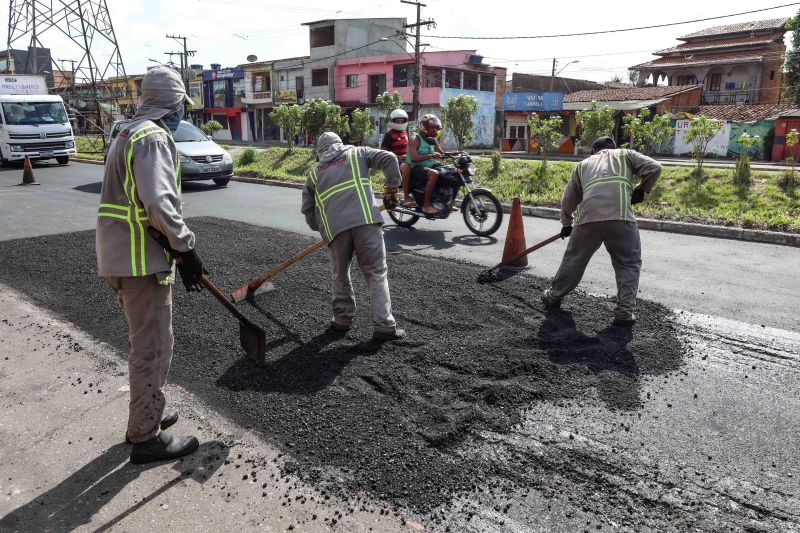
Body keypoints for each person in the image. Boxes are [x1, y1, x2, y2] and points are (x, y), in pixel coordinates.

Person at [97, 66, 204, 464]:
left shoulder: (127, 131)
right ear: (173, 103)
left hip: (118, 256)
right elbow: (158, 204)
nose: (182, 115)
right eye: (181, 107)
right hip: (141, 261)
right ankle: (145, 437)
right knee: (153, 347)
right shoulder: (154, 138)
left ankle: (149, 410)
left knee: (146, 343)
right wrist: (186, 248)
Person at [542, 136, 662, 326]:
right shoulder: (626, 154)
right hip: (621, 217)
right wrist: (641, 189)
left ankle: (553, 296)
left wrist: (566, 223)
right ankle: (625, 311)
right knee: (628, 263)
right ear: (613, 148)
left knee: (574, 259)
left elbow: (569, 199)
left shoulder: (584, 164)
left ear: (593, 151)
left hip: (588, 218)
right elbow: (655, 167)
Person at [301, 132, 406, 341]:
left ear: (320, 152)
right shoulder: (358, 153)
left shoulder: (313, 174)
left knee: (340, 274)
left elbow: (308, 209)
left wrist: (320, 227)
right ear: (340, 144)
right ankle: (384, 325)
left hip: (336, 231)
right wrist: (392, 189)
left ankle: (341, 320)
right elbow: (390, 158)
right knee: (376, 273)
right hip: (366, 221)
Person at [406, 113, 445, 215]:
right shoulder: (415, 138)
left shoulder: (431, 140)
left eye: (436, 128)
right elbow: (414, 158)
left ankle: (447, 201)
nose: (435, 131)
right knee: (434, 174)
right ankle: (426, 205)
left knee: (450, 171)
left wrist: (459, 153)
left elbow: (442, 153)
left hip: (428, 166)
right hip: (415, 167)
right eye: (432, 128)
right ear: (424, 126)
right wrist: (431, 155)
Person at [379, 108, 414, 208]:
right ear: (393, 121)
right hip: (394, 160)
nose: (399, 122)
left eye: (401, 121)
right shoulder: (389, 135)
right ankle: (406, 196)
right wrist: (398, 156)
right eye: (397, 121)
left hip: (406, 158)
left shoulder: (405, 133)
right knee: (405, 167)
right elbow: (384, 151)